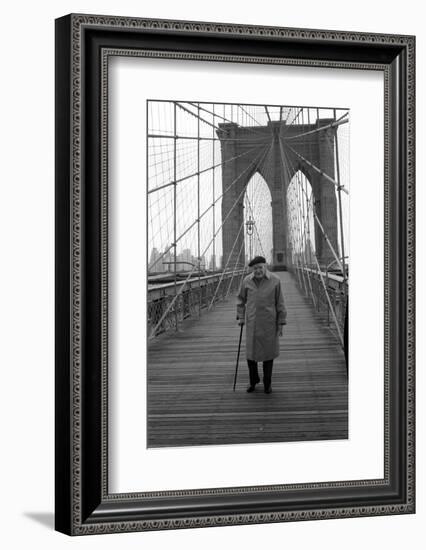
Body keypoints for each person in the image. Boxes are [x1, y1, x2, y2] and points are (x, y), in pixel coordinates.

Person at [236, 256, 287, 394]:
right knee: (251, 356)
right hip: (252, 323)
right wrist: (241, 317)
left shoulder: (275, 281)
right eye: (255, 268)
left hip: (269, 323)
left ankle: (267, 383)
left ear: (265, 266)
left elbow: (280, 302)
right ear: (252, 269)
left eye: (260, 267)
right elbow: (240, 300)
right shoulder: (247, 281)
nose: (257, 270)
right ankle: (253, 381)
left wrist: (281, 322)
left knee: (268, 354)